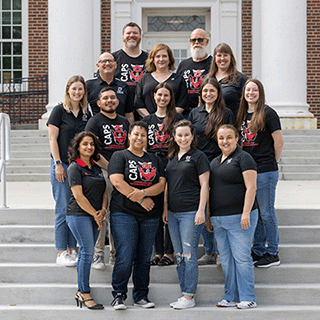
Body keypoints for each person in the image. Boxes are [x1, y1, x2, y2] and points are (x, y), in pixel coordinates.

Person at [108, 121, 166, 310]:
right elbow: (117, 182)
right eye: (136, 134)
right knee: (125, 254)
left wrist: (143, 194)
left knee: (143, 257)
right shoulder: (120, 156)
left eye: (143, 134)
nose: (139, 137)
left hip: (150, 215)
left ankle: (141, 295)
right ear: (129, 136)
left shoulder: (155, 159)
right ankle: (118, 294)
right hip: (123, 213)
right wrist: (141, 200)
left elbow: (161, 184)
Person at [208, 124, 258, 309]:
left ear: (237, 139)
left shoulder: (244, 158)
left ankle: (248, 297)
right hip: (219, 219)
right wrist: (208, 217)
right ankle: (230, 295)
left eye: (229, 137)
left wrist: (246, 212)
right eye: (221, 138)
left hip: (240, 217)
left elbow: (251, 187)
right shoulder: (214, 162)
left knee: (242, 258)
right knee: (227, 261)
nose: (225, 141)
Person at [236, 79, 284, 268]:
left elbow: (278, 141)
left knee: (266, 212)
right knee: (256, 212)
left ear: (260, 93)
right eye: (248, 90)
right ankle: (258, 250)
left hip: (265, 170)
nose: (251, 93)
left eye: (254, 90)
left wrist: (273, 161)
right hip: (248, 171)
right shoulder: (241, 115)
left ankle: (272, 252)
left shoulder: (268, 113)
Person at [164, 119, 210, 309]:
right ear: (174, 137)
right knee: (179, 255)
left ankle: (189, 296)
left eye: (186, 135)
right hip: (173, 214)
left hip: (191, 212)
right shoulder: (172, 158)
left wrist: (201, 210)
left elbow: (205, 185)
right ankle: (184, 293)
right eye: (179, 135)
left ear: (192, 137)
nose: (183, 138)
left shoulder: (199, 157)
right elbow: (167, 185)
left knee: (189, 255)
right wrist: (165, 209)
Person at [189, 77, 235, 266]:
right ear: (201, 93)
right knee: (203, 206)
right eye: (205, 90)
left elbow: (231, 138)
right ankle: (209, 251)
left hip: (219, 164)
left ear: (218, 94)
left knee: (217, 207)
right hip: (199, 164)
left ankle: (220, 252)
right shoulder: (194, 113)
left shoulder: (226, 113)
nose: (208, 94)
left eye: (212, 91)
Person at [47, 75, 91, 267]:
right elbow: (52, 139)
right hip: (62, 165)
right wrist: (57, 164)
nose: (77, 92)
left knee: (75, 208)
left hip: (79, 167)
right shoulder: (59, 110)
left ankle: (73, 249)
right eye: (74, 89)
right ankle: (61, 250)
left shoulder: (85, 113)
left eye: (80, 89)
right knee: (63, 207)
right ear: (68, 90)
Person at [85, 87, 130, 269]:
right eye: (105, 98)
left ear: (117, 101)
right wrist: (112, 169)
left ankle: (114, 254)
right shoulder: (94, 122)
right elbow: (93, 151)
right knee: (102, 213)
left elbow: (129, 146)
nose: (109, 100)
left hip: (121, 175)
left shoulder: (124, 122)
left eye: (113, 97)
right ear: (99, 102)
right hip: (102, 173)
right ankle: (98, 254)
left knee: (118, 215)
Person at [142, 82, 183, 266]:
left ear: (170, 98)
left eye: (166, 95)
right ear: (154, 96)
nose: (162, 98)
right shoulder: (147, 120)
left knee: (171, 207)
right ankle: (157, 251)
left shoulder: (177, 118)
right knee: (156, 208)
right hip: (153, 165)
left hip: (172, 163)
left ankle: (169, 252)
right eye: (159, 95)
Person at [66, 132, 107, 310]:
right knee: (87, 252)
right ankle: (83, 291)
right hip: (78, 215)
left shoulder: (96, 167)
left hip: (95, 215)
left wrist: (103, 210)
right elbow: (79, 196)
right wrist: (95, 215)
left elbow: (104, 191)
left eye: (91, 144)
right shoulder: (75, 167)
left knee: (87, 252)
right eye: (85, 144)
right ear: (78, 147)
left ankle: (82, 291)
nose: (89, 147)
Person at [134, 43, 187, 117]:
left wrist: (167, 119)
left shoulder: (179, 79)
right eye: (157, 56)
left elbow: (182, 103)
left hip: (171, 123)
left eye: (164, 56)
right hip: (148, 123)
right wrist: (151, 119)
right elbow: (138, 103)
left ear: (169, 59)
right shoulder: (144, 79)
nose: (161, 59)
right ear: (153, 60)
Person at [86, 52, 134, 123]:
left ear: (115, 65)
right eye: (103, 61)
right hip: (96, 130)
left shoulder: (124, 86)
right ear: (97, 65)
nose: (107, 63)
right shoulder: (88, 85)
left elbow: (129, 114)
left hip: (119, 130)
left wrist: (129, 132)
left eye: (110, 61)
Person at [176, 28, 212, 116]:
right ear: (190, 42)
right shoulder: (183, 64)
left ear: (207, 42)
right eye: (193, 40)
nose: (196, 43)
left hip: (207, 113)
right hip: (184, 113)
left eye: (200, 40)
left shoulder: (214, 63)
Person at [207, 43, 248, 119]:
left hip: (232, 123)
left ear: (231, 58)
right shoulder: (207, 79)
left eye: (225, 55)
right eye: (219, 55)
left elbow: (248, 103)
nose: (222, 58)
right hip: (209, 123)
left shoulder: (240, 79)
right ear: (215, 59)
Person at [112, 22, 148, 102]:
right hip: (119, 109)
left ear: (140, 36)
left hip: (145, 109)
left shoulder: (150, 59)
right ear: (123, 36)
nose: (131, 35)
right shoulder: (112, 59)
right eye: (128, 33)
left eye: (135, 33)